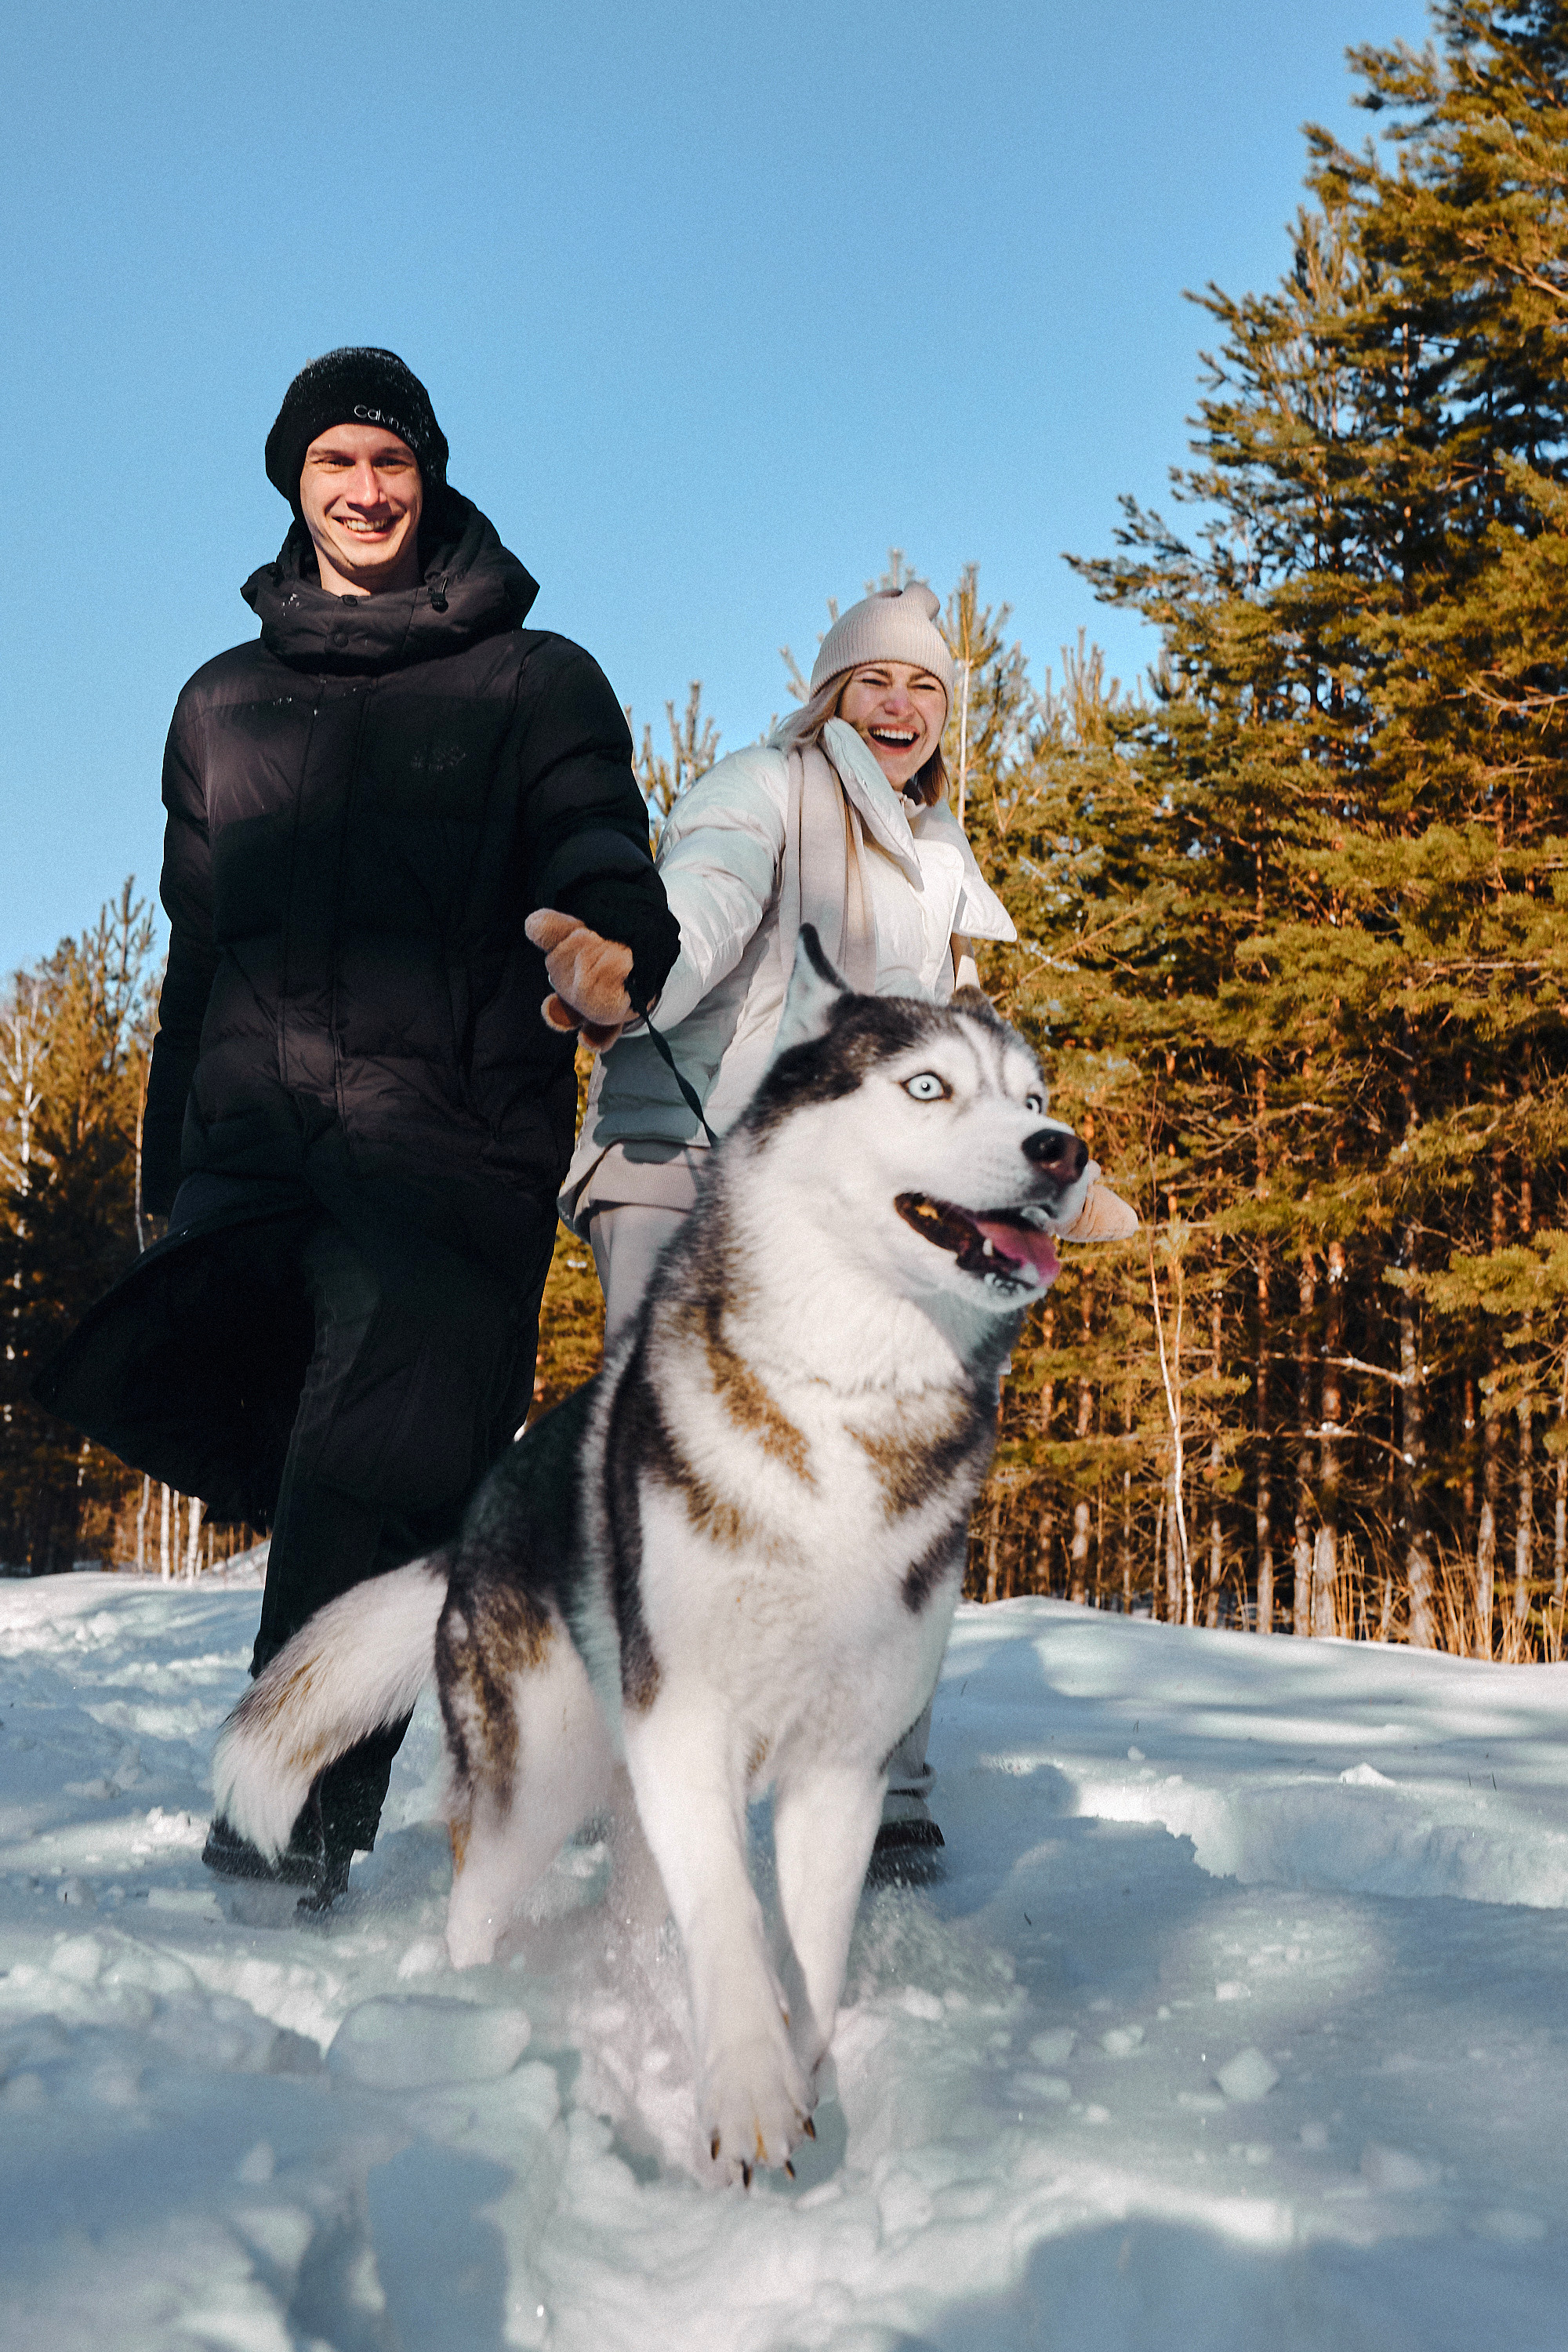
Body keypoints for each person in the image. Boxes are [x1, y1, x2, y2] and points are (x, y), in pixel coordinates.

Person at [37, 347, 679, 1905]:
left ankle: (284, 1838)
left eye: (389, 463)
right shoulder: (222, 702)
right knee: (256, 1433)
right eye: (335, 464)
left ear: (429, 476)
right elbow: (192, 950)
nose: (365, 489)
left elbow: (596, 832)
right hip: (254, 1152)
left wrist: (611, 942)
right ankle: (454, 1661)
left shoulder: (536, 679)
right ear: (295, 484)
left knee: (380, 1475)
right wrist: (168, 1168)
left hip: (449, 1152)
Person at [560, 582, 1019, 1872]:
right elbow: (699, 903)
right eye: (875, 679)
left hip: (837, 1212)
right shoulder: (762, 786)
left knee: (905, 1462)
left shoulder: (937, 866)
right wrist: (633, 970)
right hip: (681, 1156)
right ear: (831, 694)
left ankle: (890, 1777)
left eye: (926, 686)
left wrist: (1041, 1180)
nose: (900, 704)